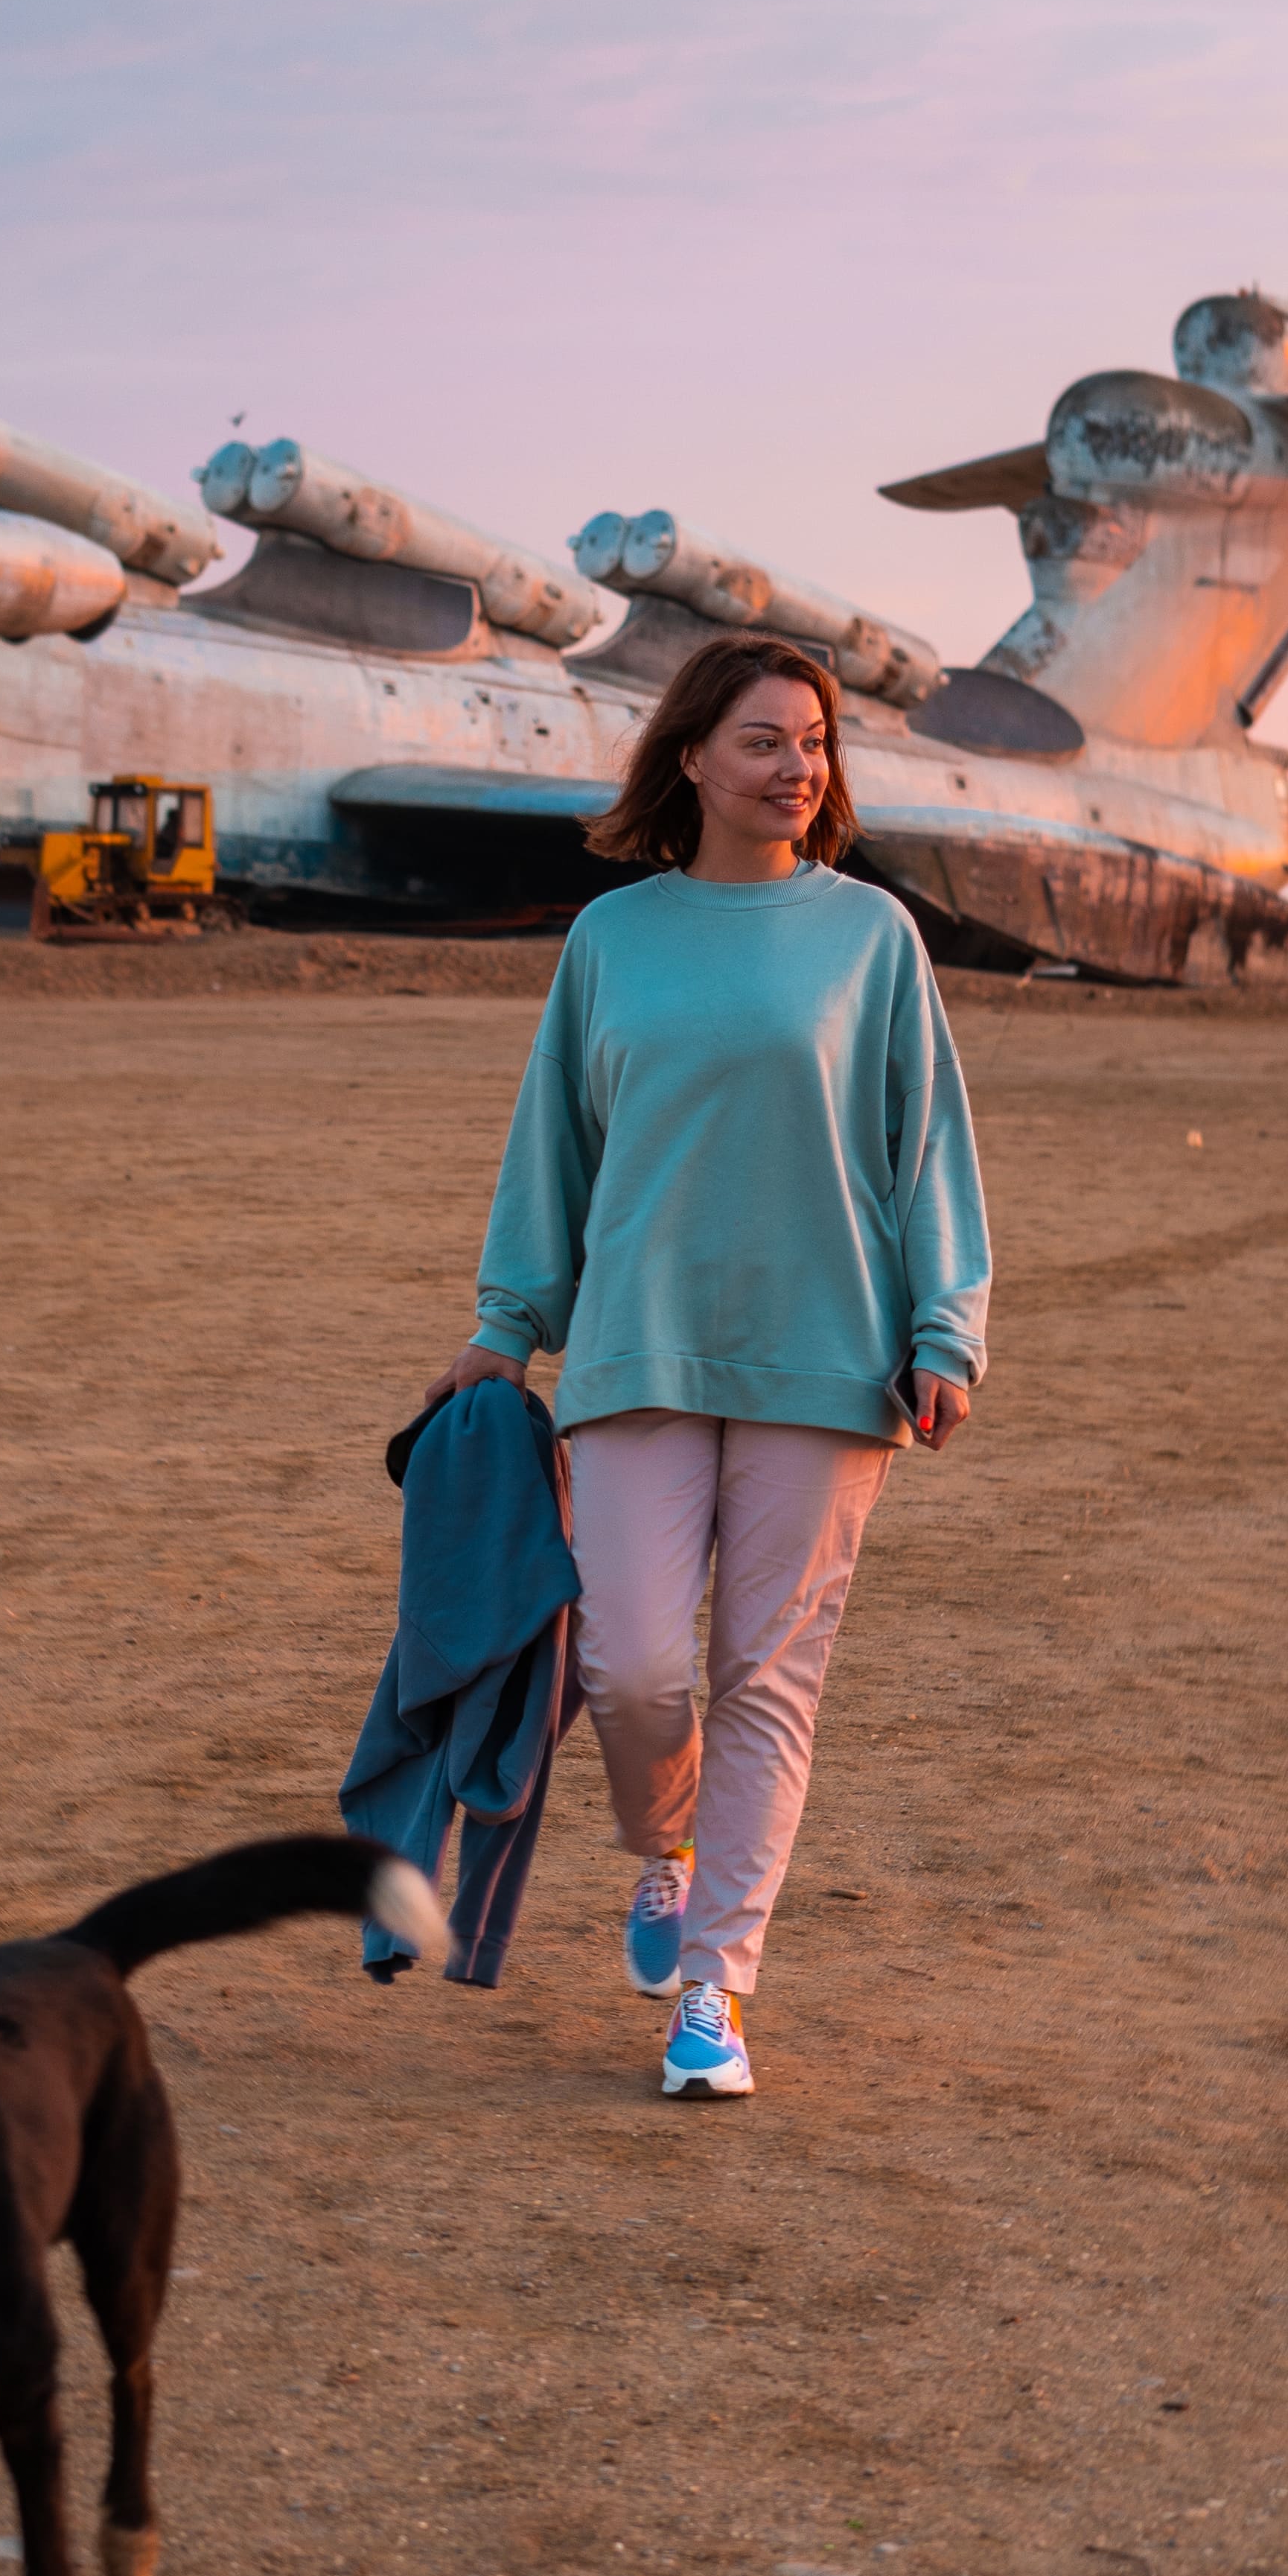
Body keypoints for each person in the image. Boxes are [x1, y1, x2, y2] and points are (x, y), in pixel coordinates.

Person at [427, 632, 990, 2100]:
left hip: (828, 1355)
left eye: (811, 741)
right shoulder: (612, 940)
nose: (795, 766)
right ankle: (661, 1848)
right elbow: (552, 1144)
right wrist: (504, 1329)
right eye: (762, 740)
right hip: (632, 1344)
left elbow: (922, 1144)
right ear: (689, 759)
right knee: (624, 1665)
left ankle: (713, 1997)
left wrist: (946, 1329)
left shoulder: (870, 937)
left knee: (767, 1680)